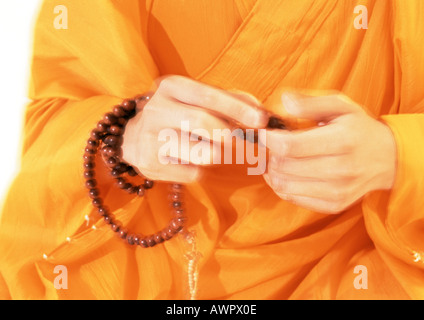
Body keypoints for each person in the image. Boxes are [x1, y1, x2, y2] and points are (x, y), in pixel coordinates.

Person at [0, 0, 423, 300]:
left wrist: (395, 154)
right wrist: (126, 135)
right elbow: (49, 127)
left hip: (355, 269)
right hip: (136, 269)